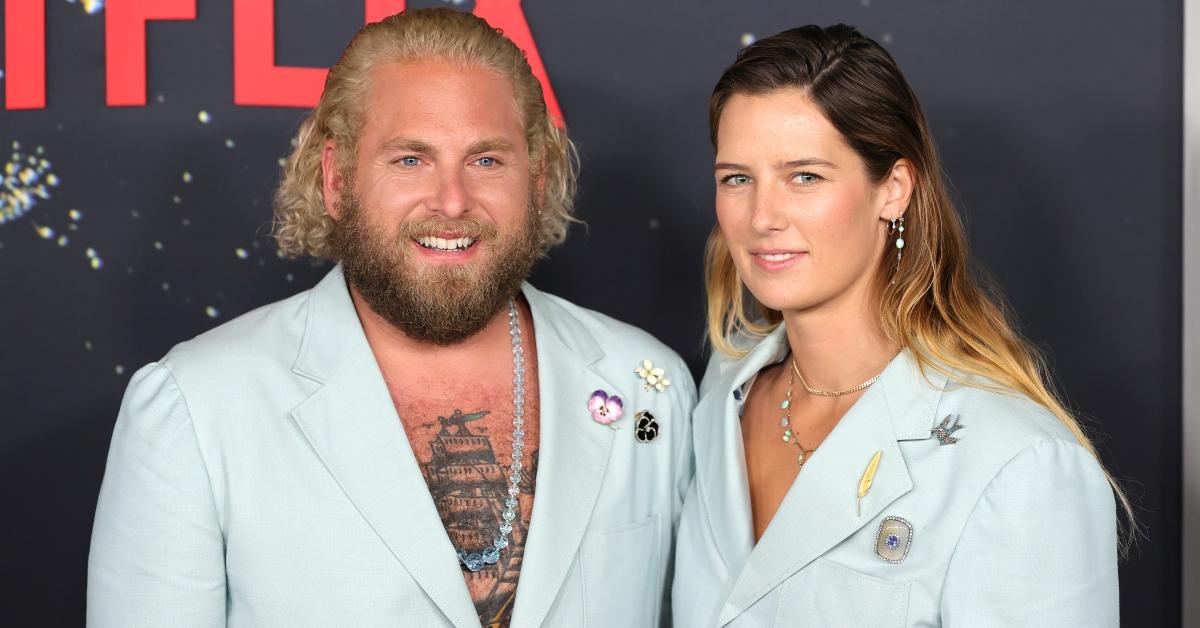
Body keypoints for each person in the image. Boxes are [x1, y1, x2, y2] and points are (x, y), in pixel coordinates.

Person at [87, 8, 695, 627]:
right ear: (336, 179)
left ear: (537, 179)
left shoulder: (647, 386)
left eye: (486, 159)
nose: (453, 201)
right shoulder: (196, 406)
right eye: (410, 160)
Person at [673, 24, 1129, 627]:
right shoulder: (717, 401)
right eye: (737, 178)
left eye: (804, 176)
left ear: (892, 188)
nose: (762, 216)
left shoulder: (1019, 464)